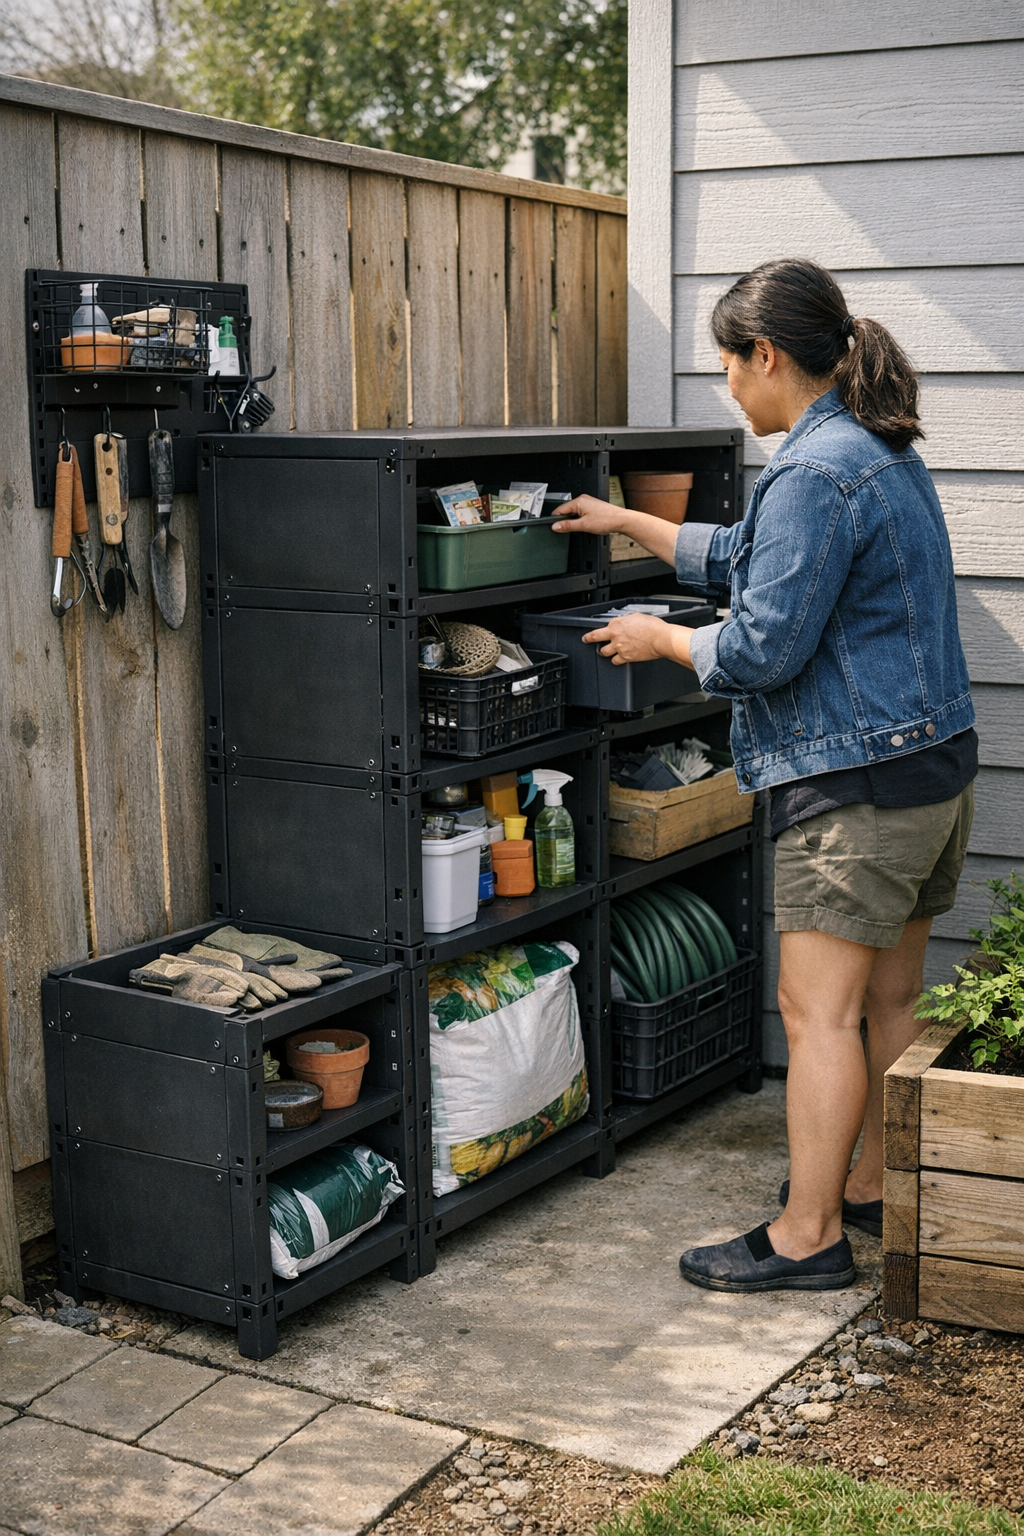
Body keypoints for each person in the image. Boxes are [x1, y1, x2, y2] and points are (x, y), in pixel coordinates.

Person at [552, 257, 976, 1293]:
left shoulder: (812, 470)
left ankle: (807, 1236)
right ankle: (871, 1185)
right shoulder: (876, 447)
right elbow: (755, 553)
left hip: (855, 791)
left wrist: (660, 638)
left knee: (815, 1014)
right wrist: (627, 521)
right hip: (930, 772)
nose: (727, 386)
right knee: (888, 1002)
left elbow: (759, 650)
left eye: (728, 365)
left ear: (767, 355)